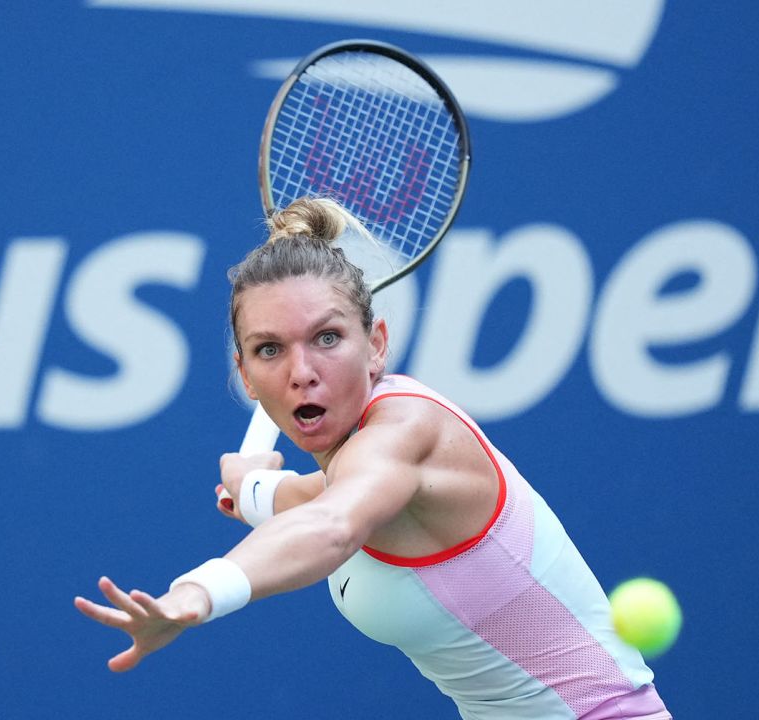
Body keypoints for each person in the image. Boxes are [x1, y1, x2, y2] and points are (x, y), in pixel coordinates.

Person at [74, 197, 673, 720]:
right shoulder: (351, 472)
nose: (302, 371)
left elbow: (331, 525)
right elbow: (307, 501)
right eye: (269, 349)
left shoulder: (409, 428)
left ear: (377, 345)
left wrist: (196, 594)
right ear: (246, 375)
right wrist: (252, 490)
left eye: (327, 338)